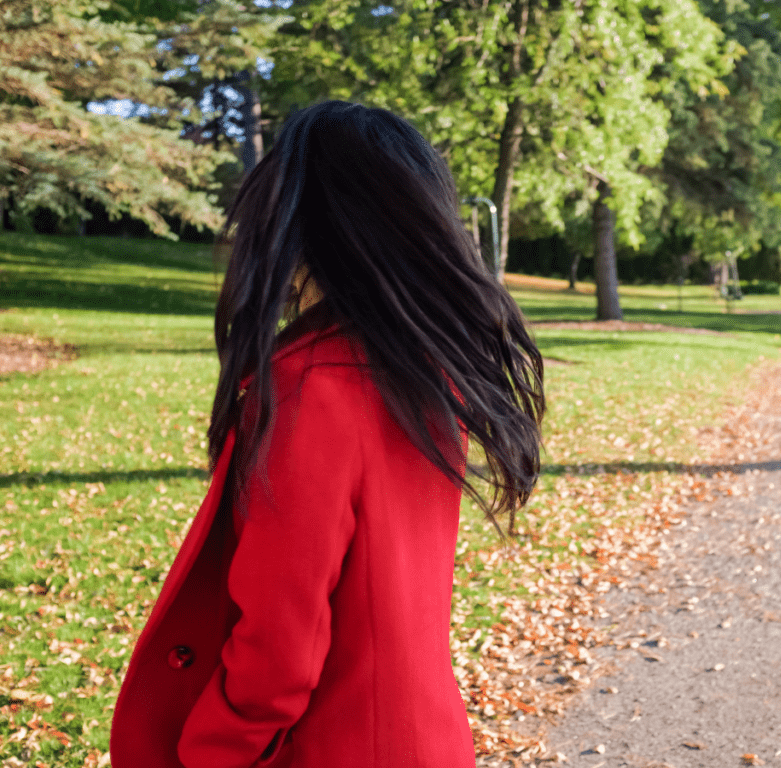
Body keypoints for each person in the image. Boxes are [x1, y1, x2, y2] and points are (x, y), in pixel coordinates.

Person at [109, 101, 545, 768]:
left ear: (298, 222)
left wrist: (208, 754)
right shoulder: (421, 367)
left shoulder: (314, 387)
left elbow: (278, 655)